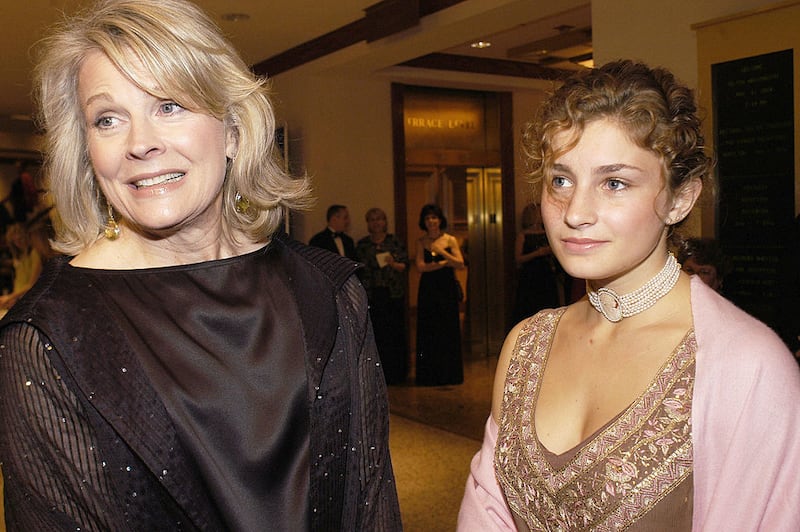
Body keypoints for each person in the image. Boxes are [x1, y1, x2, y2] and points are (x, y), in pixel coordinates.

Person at [0, 1, 401, 530]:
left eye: (169, 106)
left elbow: (369, 504)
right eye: (108, 119)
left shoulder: (329, 293)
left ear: (233, 131)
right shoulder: (45, 340)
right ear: (86, 153)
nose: (140, 143)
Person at [458, 60, 800, 530]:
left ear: (681, 199)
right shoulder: (525, 344)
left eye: (614, 183)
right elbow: (488, 513)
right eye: (561, 180)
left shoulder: (744, 363)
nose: (575, 212)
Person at [356, 207, 410, 384]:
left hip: (393, 294)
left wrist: (393, 263)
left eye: (380, 219)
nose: (376, 222)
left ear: (385, 222)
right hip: (372, 295)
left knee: (394, 334)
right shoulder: (363, 245)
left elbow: (404, 266)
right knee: (375, 335)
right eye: (372, 219)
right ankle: (375, 376)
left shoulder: (394, 241)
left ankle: (396, 374)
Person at [414, 203, 465, 386]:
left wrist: (441, 251)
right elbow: (420, 266)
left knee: (448, 328)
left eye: (434, 217)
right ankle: (430, 376)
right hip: (428, 288)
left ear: (440, 220)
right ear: (424, 222)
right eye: (428, 218)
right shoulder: (421, 242)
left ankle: (450, 375)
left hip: (447, 287)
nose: (431, 221)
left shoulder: (450, 240)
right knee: (430, 329)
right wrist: (443, 264)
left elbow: (460, 263)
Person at [511, 202, 559, 324]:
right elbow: (518, 258)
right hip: (530, 275)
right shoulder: (523, 235)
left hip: (546, 274)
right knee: (530, 307)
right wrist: (538, 253)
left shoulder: (547, 232)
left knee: (547, 305)